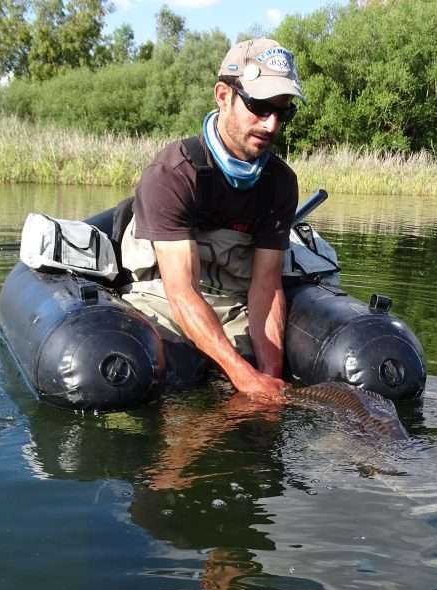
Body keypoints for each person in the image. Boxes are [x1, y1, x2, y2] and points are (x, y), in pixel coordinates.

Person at [119, 38, 303, 400]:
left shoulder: (281, 183)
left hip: (234, 301)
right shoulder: (173, 173)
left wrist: (268, 379)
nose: (271, 125)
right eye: (260, 106)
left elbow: (266, 286)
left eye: (283, 112)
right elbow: (181, 291)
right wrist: (244, 378)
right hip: (166, 300)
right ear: (222, 95)